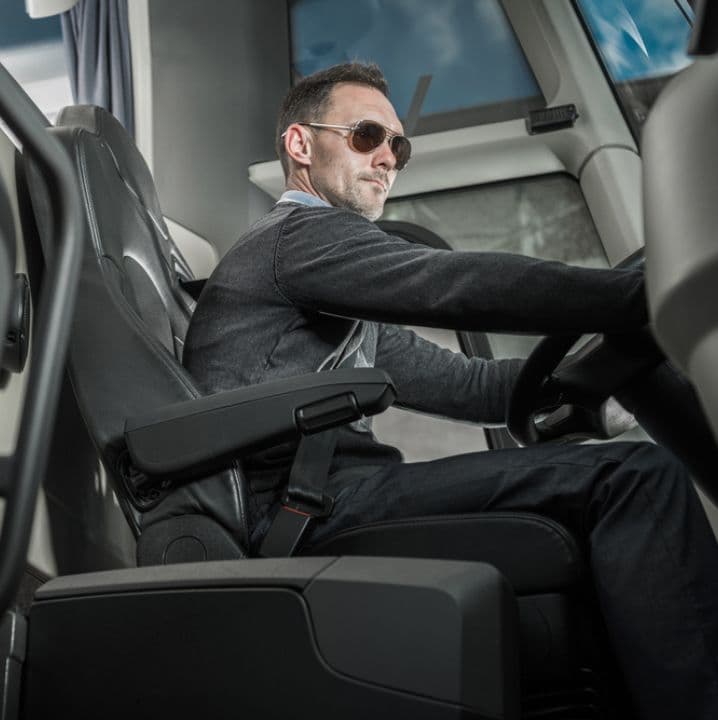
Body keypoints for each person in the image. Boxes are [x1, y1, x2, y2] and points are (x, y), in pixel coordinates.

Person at [183, 63, 718, 718]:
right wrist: (646, 292)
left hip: (330, 501)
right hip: (302, 513)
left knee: (616, 476)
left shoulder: (332, 294)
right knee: (635, 478)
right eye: (367, 135)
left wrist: (587, 376)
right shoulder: (298, 239)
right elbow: (457, 283)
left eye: (398, 147)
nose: (387, 158)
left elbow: (474, 387)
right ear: (301, 145)